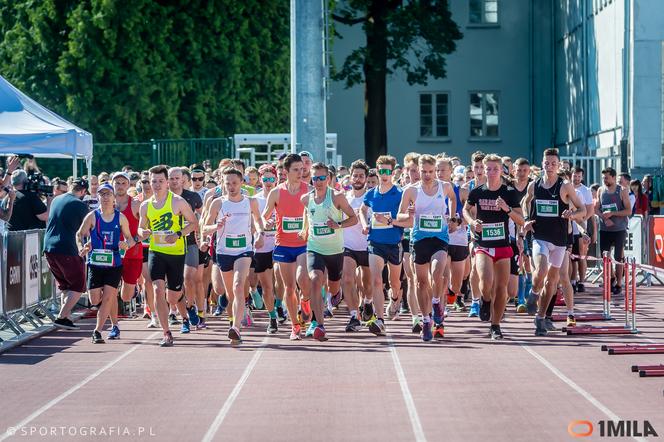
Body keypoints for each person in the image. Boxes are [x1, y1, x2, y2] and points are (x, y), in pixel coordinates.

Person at [522, 148, 586, 336]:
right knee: (541, 270)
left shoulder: (565, 186)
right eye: (546, 163)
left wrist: (572, 215)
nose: (549, 166)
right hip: (540, 235)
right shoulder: (534, 185)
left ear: (558, 166)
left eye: (553, 164)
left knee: (551, 282)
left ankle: (541, 318)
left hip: (559, 240)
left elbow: (582, 210)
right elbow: (525, 202)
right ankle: (533, 294)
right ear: (542, 164)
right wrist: (526, 219)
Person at [463, 154, 525, 339]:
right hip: (483, 245)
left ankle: (495, 326)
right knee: (486, 283)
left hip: (503, 245)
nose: (490, 172)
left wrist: (506, 208)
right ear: (482, 169)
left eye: (494, 169)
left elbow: (521, 219)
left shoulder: (509, 192)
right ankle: (485, 300)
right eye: (487, 169)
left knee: (502, 288)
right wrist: (472, 223)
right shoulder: (477, 191)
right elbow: (466, 210)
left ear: (501, 171)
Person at [138, 165, 199, 347]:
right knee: (157, 289)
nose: (156, 185)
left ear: (167, 183)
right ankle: (166, 332)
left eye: (160, 181)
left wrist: (178, 234)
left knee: (172, 296)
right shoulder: (145, 205)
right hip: (156, 251)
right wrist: (144, 232)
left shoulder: (178, 202)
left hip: (176, 252)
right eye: (153, 181)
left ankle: (186, 307)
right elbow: (140, 228)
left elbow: (193, 223)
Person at [202, 167, 265, 344]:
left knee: (238, 286)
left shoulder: (250, 202)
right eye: (227, 183)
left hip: (243, 250)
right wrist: (216, 227)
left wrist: (260, 233)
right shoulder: (218, 203)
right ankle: (234, 324)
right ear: (223, 183)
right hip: (223, 251)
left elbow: (259, 221)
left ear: (241, 183)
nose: (231, 186)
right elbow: (205, 227)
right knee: (230, 294)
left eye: (235, 183)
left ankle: (236, 327)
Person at [398, 154, 457, 341]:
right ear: (418, 170)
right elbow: (400, 216)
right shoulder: (411, 191)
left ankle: (437, 302)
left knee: (438, 271)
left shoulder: (445, 186)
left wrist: (452, 216)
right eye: (424, 171)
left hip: (439, 237)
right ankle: (425, 321)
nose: (427, 175)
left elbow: (453, 198)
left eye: (431, 172)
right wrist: (408, 213)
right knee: (421, 282)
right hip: (419, 239)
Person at [300, 162, 357, 340]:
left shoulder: (337, 197)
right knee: (316, 280)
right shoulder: (306, 199)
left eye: (322, 178)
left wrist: (338, 224)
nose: (318, 182)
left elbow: (354, 219)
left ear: (329, 178)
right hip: (314, 248)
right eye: (315, 178)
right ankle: (318, 324)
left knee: (333, 287)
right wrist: (304, 229)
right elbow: (308, 215)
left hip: (335, 251)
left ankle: (336, 292)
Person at [76, 184, 136, 343]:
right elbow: (79, 234)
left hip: (114, 264)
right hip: (95, 263)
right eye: (102, 194)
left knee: (109, 297)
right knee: (95, 300)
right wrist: (82, 247)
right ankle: (113, 322)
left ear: (114, 197)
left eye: (108, 194)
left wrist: (126, 245)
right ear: (98, 197)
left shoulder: (120, 217)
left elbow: (130, 238)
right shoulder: (92, 216)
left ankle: (97, 331)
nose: (105, 197)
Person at [262, 153, 312, 340]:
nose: (301, 172)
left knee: (303, 279)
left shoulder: (309, 191)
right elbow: (264, 215)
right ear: (285, 171)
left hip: (304, 244)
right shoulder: (276, 192)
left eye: (302, 169)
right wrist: (261, 225)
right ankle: (295, 326)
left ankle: (305, 301)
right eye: (296, 170)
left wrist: (308, 227)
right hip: (283, 245)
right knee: (289, 288)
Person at [360, 155, 408, 336]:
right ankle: (380, 320)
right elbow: (362, 209)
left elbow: (408, 221)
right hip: (375, 242)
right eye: (381, 171)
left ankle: (395, 298)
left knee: (394, 282)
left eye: (388, 171)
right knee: (377, 280)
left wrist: (390, 220)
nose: (384, 174)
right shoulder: (371, 193)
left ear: (393, 172)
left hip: (394, 243)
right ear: (377, 171)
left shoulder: (400, 193)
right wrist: (365, 224)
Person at [43, 178, 90, 330]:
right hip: (67, 248)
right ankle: (62, 317)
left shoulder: (57, 199)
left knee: (66, 286)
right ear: (83, 191)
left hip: (49, 247)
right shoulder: (79, 204)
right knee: (77, 286)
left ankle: (66, 316)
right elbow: (90, 226)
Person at [107, 172, 144, 339]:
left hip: (132, 254)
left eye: (123, 183)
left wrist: (132, 241)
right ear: (112, 185)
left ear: (128, 185)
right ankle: (114, 325)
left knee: (126, 295)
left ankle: (132, 287)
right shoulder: (106, 204)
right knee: (110, 292)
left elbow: (145, 231)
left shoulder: (136, 204)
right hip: (110, 254)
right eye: (117, 183)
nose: (120, 186)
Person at [168, 167, 204, 329]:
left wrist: (204, 236)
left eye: (178, 178)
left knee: (189, 277)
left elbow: (203, 218)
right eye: (172, 178)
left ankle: (190, 307)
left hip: (190, 243)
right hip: (169, 244)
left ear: (183, 179)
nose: (175, 181)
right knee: (176, 282)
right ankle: (183, 317)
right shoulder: (163, 197)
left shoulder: (192, 197)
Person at [340, 160, 371, 332]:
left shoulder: (372, 197)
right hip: (348, 246)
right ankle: (353, 316)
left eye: (361, 176)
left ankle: (367, 303)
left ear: (366, 178)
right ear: (350, 177)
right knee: (347, 279)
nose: (358, 179)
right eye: (355, 176)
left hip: (368, 246)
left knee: (367, 284)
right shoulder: (344, 198)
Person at [595, 167, 631, 297]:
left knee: (618, 257)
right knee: (605, 256)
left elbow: (628, 211)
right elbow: (596, 209)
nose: (604, 180)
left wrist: (612, 213)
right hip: (605, 229)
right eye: (603, 177)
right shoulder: (600, 190)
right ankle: (610, 278)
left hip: (619, 229)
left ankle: (619, 284)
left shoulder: (622, 191)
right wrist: (604, 218)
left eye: (607, 178)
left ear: (614, 178)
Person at [253, 164, 280, 333]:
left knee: (282, 281)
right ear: (260, 180)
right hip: (262, 247)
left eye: (271, 179)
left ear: (276, 179)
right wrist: (261, 228)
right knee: (267, 285)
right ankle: (272, 317)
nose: (268, 182)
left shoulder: (282, 196)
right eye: (265, 179)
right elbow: (251, 223)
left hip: (280, 244)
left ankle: (281, 304)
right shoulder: (255, 200)